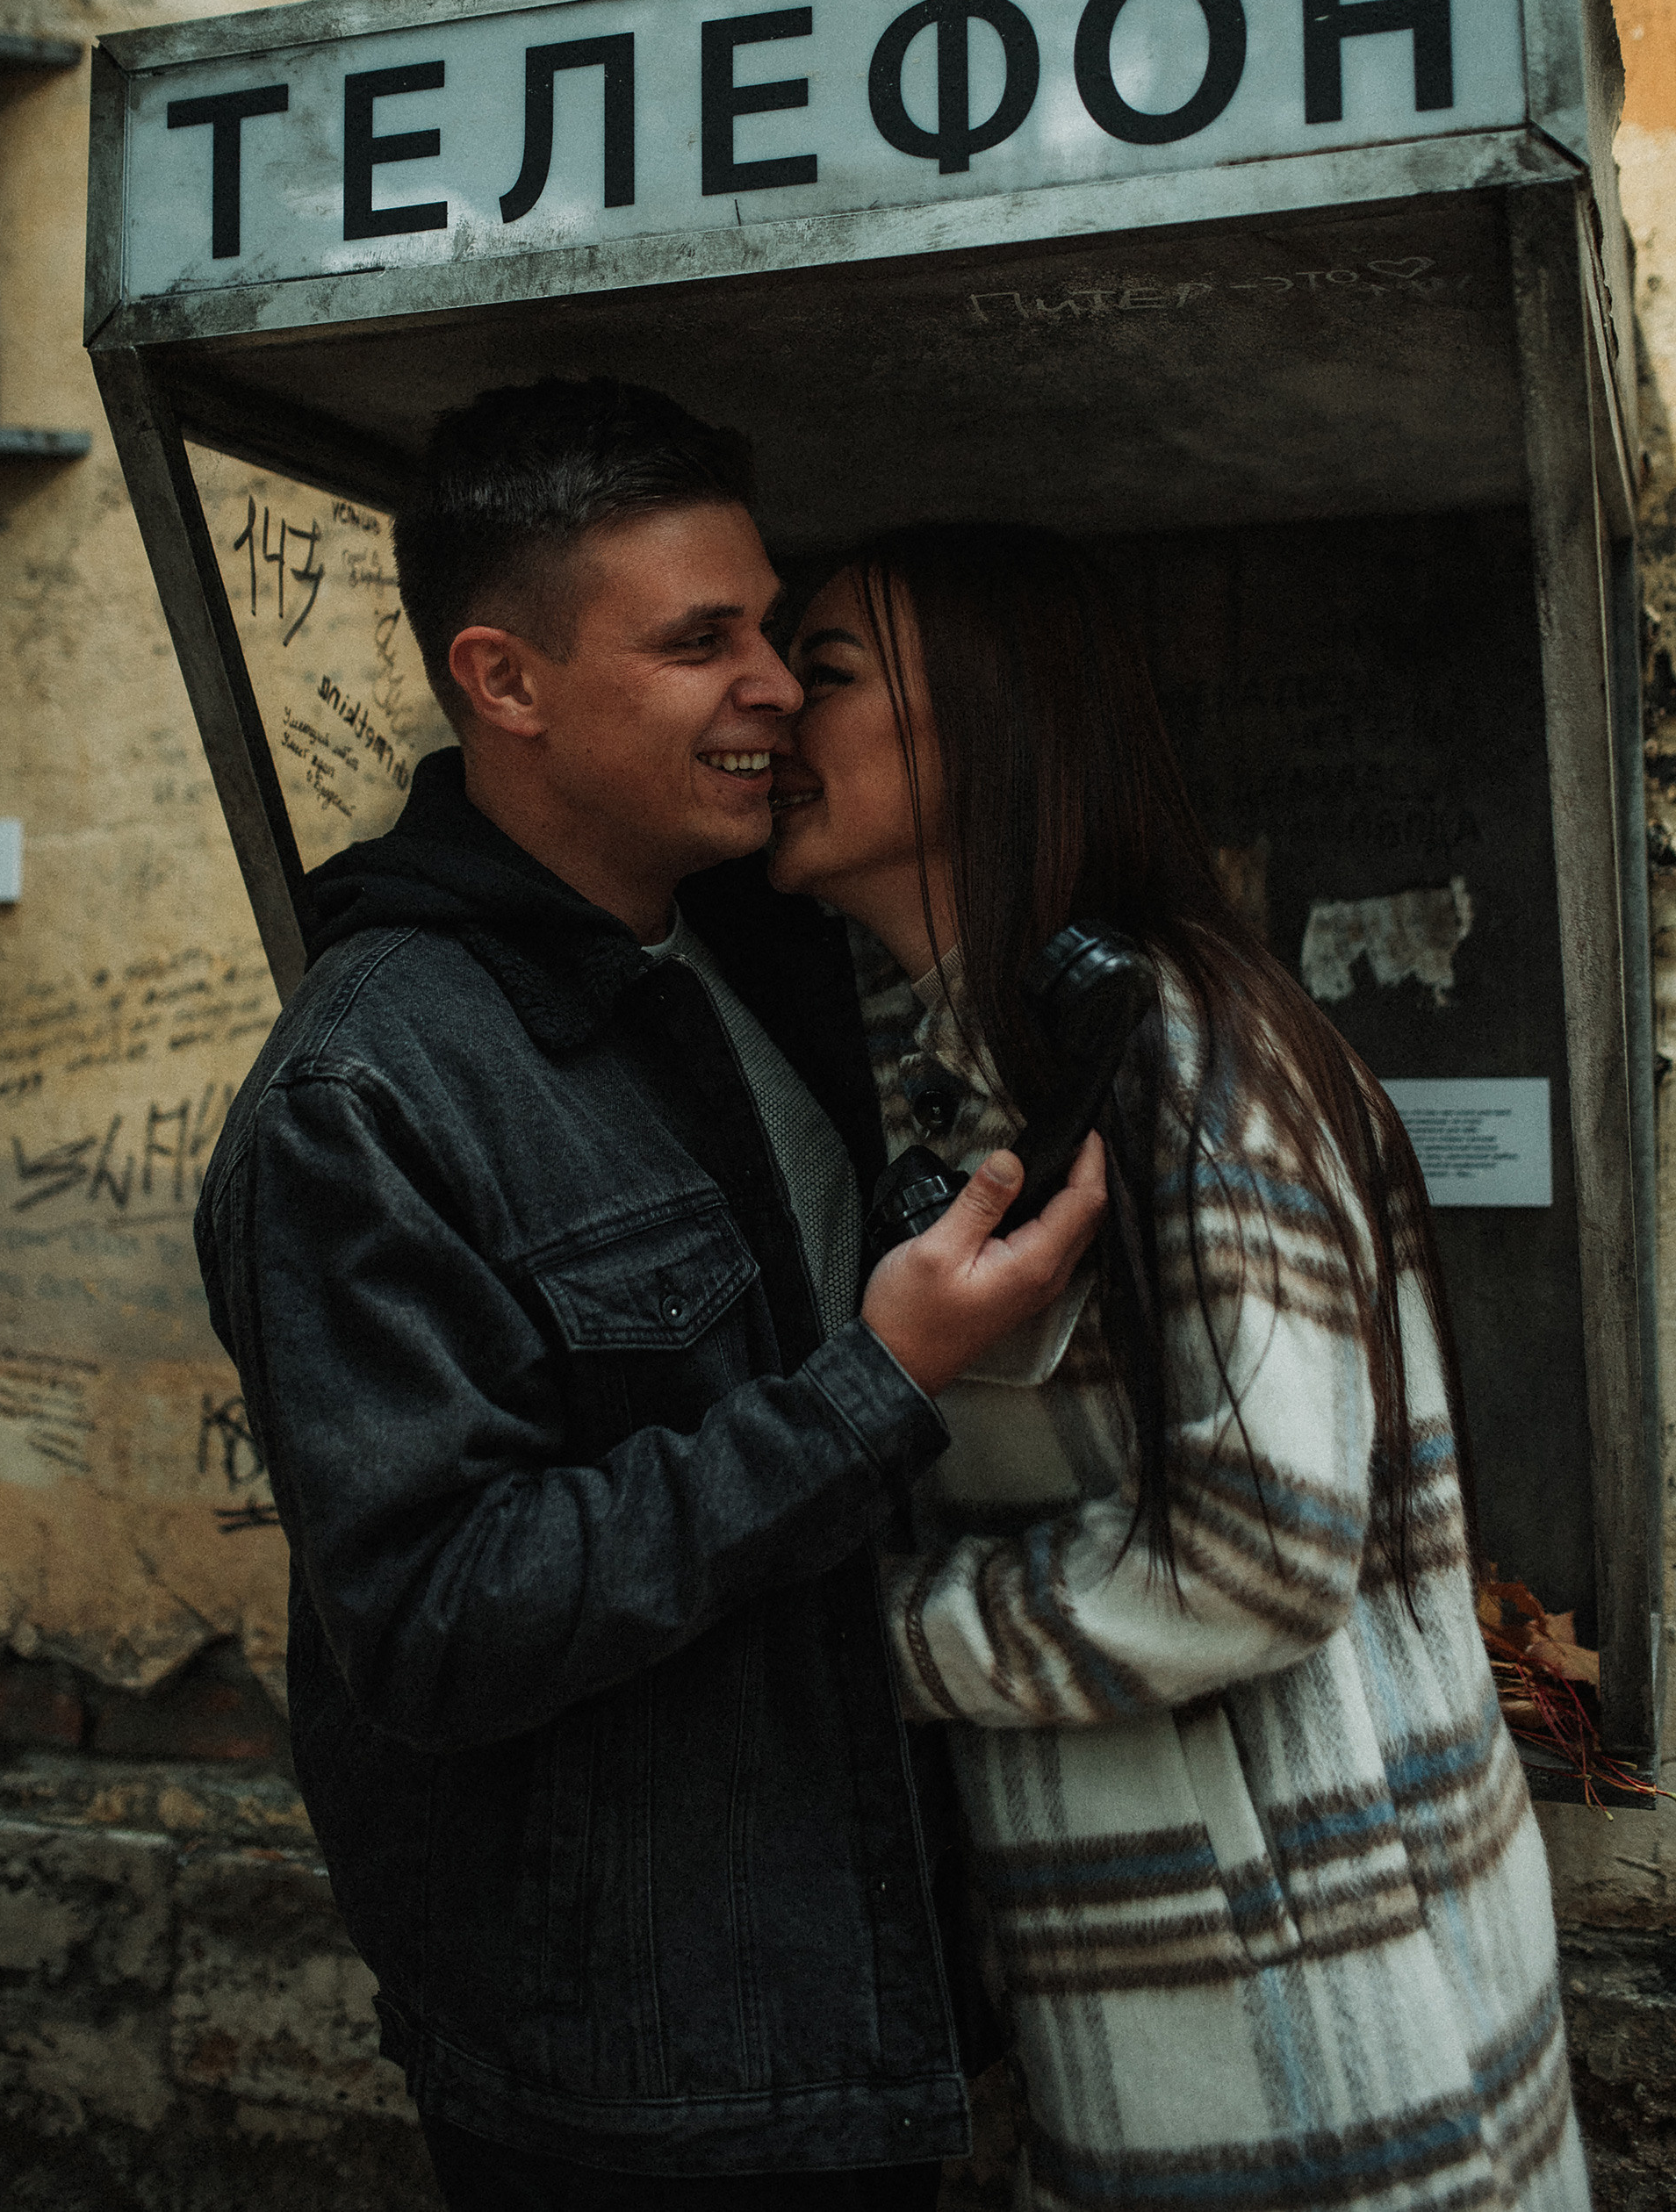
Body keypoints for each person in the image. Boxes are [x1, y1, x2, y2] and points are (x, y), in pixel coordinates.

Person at [193, 385, 1106, 2212]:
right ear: (505, 682)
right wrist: (876, 1382)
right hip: (637, 2074)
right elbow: (440, 1614)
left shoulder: (753, 946)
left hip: (874, 1974)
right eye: (703, 641)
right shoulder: (364, 1096)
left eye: (769, 627)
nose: (773, 681)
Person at [768, 521, 1591, 2212]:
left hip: (1319, 2000)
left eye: (830, 671)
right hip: (1149, 1988)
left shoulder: (1184, 1048)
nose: (775, 708)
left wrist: (849, 1635)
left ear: (988, 720)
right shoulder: (960, 1051)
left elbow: (1258, 1552)